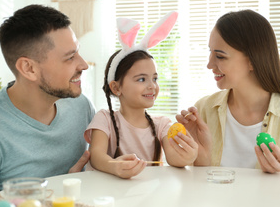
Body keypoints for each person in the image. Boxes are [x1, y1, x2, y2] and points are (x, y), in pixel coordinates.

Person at [0, 5, 95, 207]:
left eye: (78, 53)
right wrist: (58, 196)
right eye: (70, 57)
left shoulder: (81, 106)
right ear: (28, 68)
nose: (84, 64)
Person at [176, 9, 280, 176]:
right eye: (210, 52)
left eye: (220, 56)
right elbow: (188, 186)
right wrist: (195, 159)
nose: (209, 64)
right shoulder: (203, 111)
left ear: (253, 61)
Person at [85, 12, 198, 179]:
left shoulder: (162, 124)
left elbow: (173, 159)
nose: (152, 85)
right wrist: (115, 167)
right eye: (142, 79)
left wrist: (188, 156)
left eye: (155, 78)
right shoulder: (104, 119)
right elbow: (96, 156)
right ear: (116, 88)